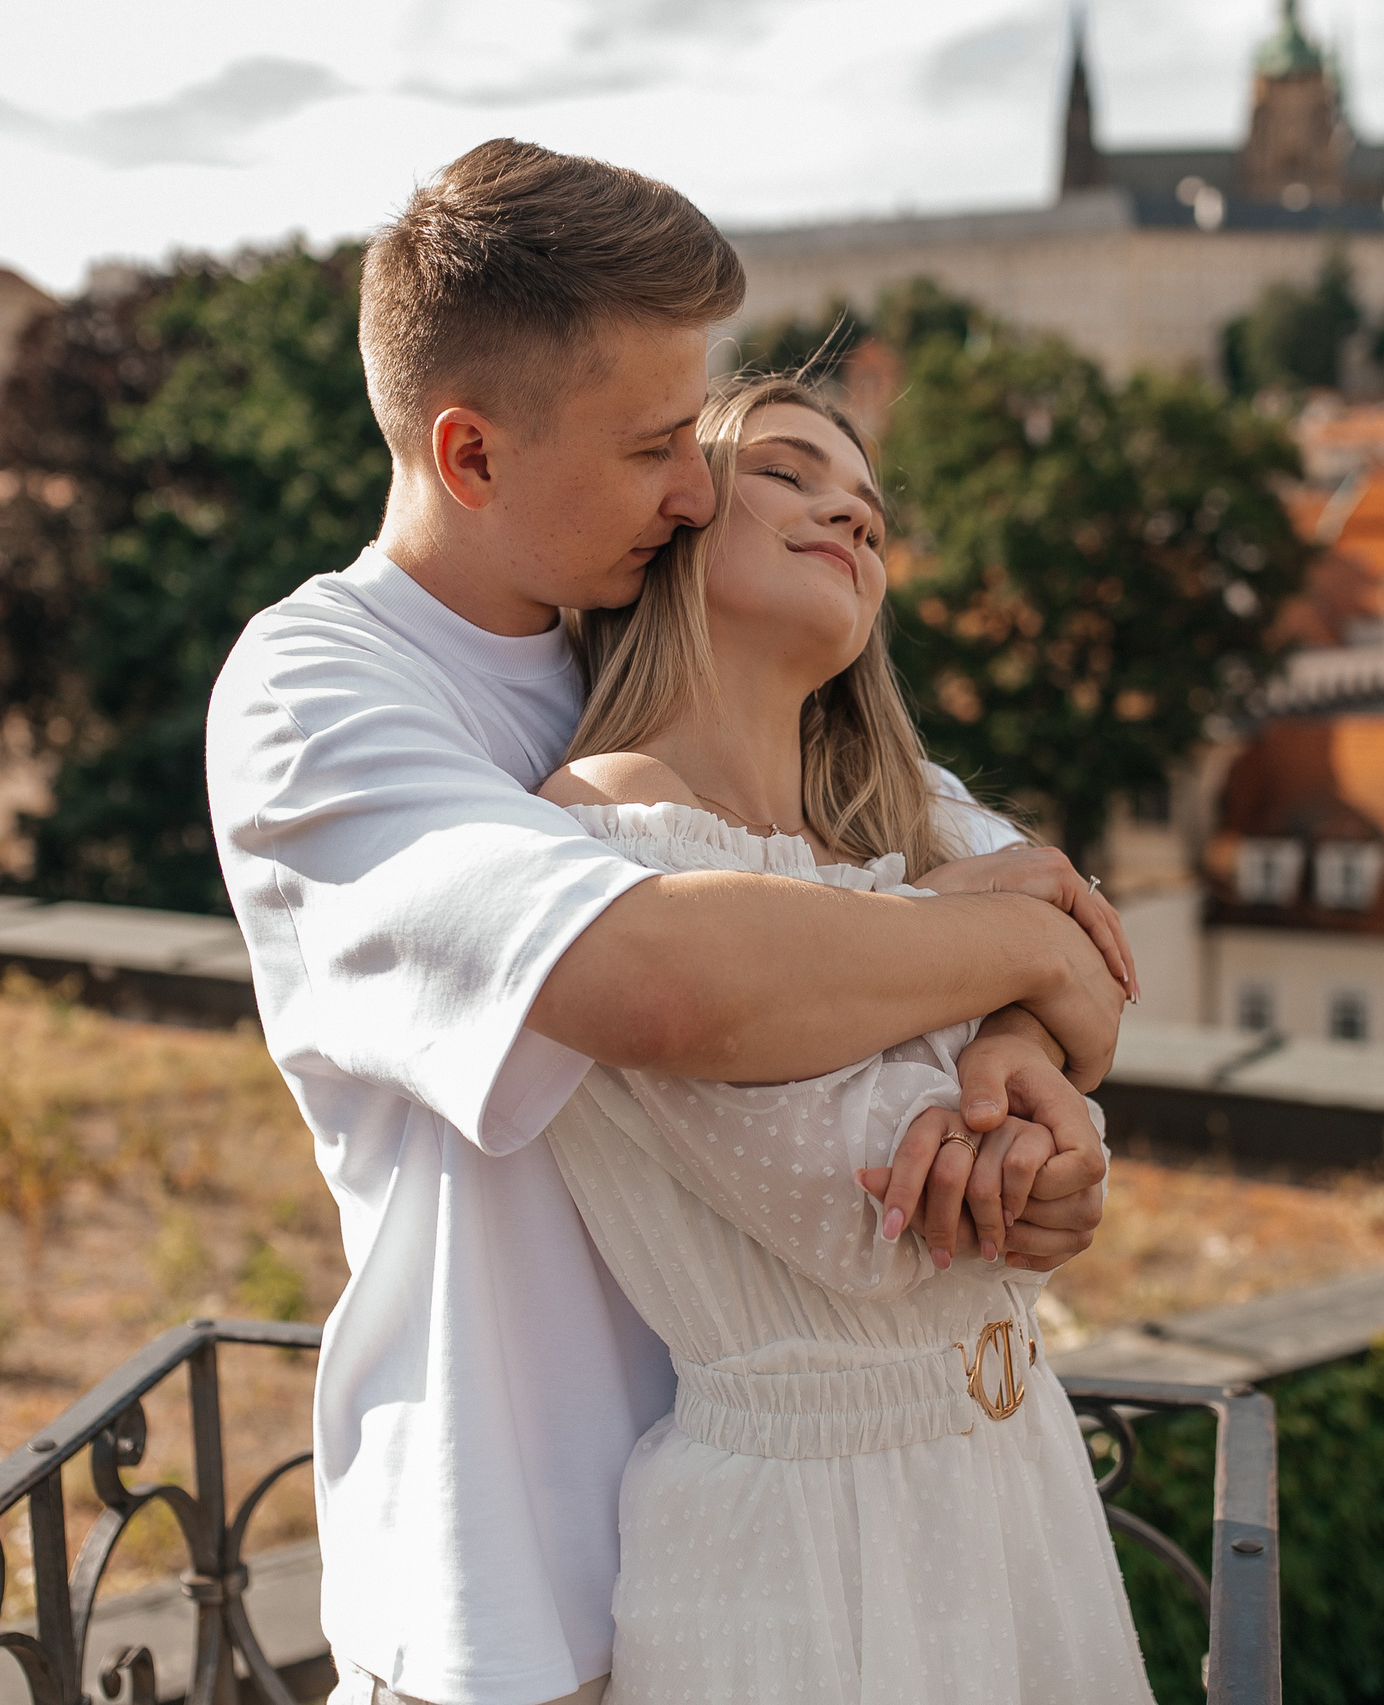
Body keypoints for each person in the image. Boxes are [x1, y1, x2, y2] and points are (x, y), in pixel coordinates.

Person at [206, 140, 1128, 1705]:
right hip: (515, 1597)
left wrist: (1020, 1053)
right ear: (471, 454)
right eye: (653, 447)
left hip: (810, 1528)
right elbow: (659, 979)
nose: (695, 488)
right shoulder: (321, 693)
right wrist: (1011, 947)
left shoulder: (655, 644)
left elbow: (1056, 913)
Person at [536, 374, 1154, 1703]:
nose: (852, 515)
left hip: (1019, 1478)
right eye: (788, 471)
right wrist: (995, 960)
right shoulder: (615, 815)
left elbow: (1093, 975)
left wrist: (1018, 1048)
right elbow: (869, 1214)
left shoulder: (912, 806)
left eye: (868, 508)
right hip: (805, 1546)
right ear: (676, 512)